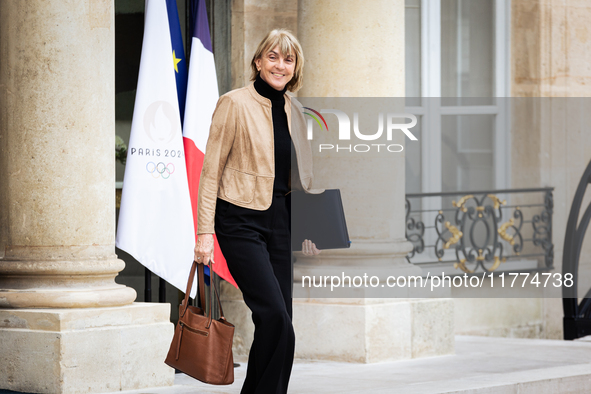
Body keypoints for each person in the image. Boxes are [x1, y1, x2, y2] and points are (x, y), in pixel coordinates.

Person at [193, 29, 321, 394]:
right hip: (240, 221)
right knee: (274, 315)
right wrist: (204, 232)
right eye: (273, 57)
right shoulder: (234, 103)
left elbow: (302, 176)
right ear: (258, 61)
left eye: (288, 59)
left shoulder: (296, 109)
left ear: (295, 68)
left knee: (284, 324)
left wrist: (309, 226)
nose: (280, 65)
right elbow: (211, 171)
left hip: (281, 221)